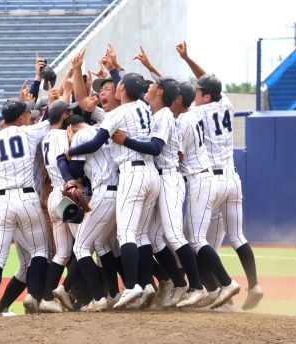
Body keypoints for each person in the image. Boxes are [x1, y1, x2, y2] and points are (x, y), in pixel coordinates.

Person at [176, 41, 262, 309]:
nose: (196, 93)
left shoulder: (196, 113)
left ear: (205, 97)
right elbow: (211, 83)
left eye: (199, 91)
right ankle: (254, 285)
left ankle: (218, 287)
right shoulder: (227, 102)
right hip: (233, 180)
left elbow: (183, 103)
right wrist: (188, 58)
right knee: (237, 237)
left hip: (209, 182)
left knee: (197, 240)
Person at [111, 70, 208, 307]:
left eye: (152, 86)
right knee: (153, 238)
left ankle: (196, 286)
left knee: (173, 235)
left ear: (160, 91)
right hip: (159, 178)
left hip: (170, 178)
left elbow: (155, 148)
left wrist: (126, 141)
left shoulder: (164, 115)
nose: (147, 88)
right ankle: (177, 282)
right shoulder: (152, 111)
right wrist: (115, 72)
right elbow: (129, 97)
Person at [67, 73, 160, 309]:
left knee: (126, 234)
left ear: (124, 89)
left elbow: (96, 143)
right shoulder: (144, 107)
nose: (115, 87)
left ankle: (131, 287)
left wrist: (72, 150)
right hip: (151, 173)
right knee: (141, 235)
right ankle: (146, 283)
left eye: (118, 84)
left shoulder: (119, 113)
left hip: (131, 172)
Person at [0, 98, 50, 317]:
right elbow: (51, 118)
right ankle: (32, 295)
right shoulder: (29, 132)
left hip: (1, 199)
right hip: (26, 197)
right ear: (22, 117)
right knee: (40, 250)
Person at [170, 80, 241, 309]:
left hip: (200, 179)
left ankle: (226, 284)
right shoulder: (193, 115)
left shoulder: (186, 119)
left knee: (197, 240)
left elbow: (178, 156)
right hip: (205, 178)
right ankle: (212, 290)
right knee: (194, 240)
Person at [57, 114, 121, 311]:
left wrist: (66, 152)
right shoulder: (103, 131)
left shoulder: (80, 135)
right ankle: (112, 294)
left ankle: (99, 298)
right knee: (101, 244)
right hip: (120, 191)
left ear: (71, 129)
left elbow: (75, 170)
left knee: (80, 248)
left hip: (103, 193)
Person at [38, 99, 77, 313]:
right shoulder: (64, 135)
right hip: (65, 195)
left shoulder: (44, 137)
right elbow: (69, 161)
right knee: (84, 245)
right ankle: (66, 290)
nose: (70, 115)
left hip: (54, 195)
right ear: (63, 116)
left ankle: (46, 297)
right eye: (67, 112)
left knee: (62, 252)